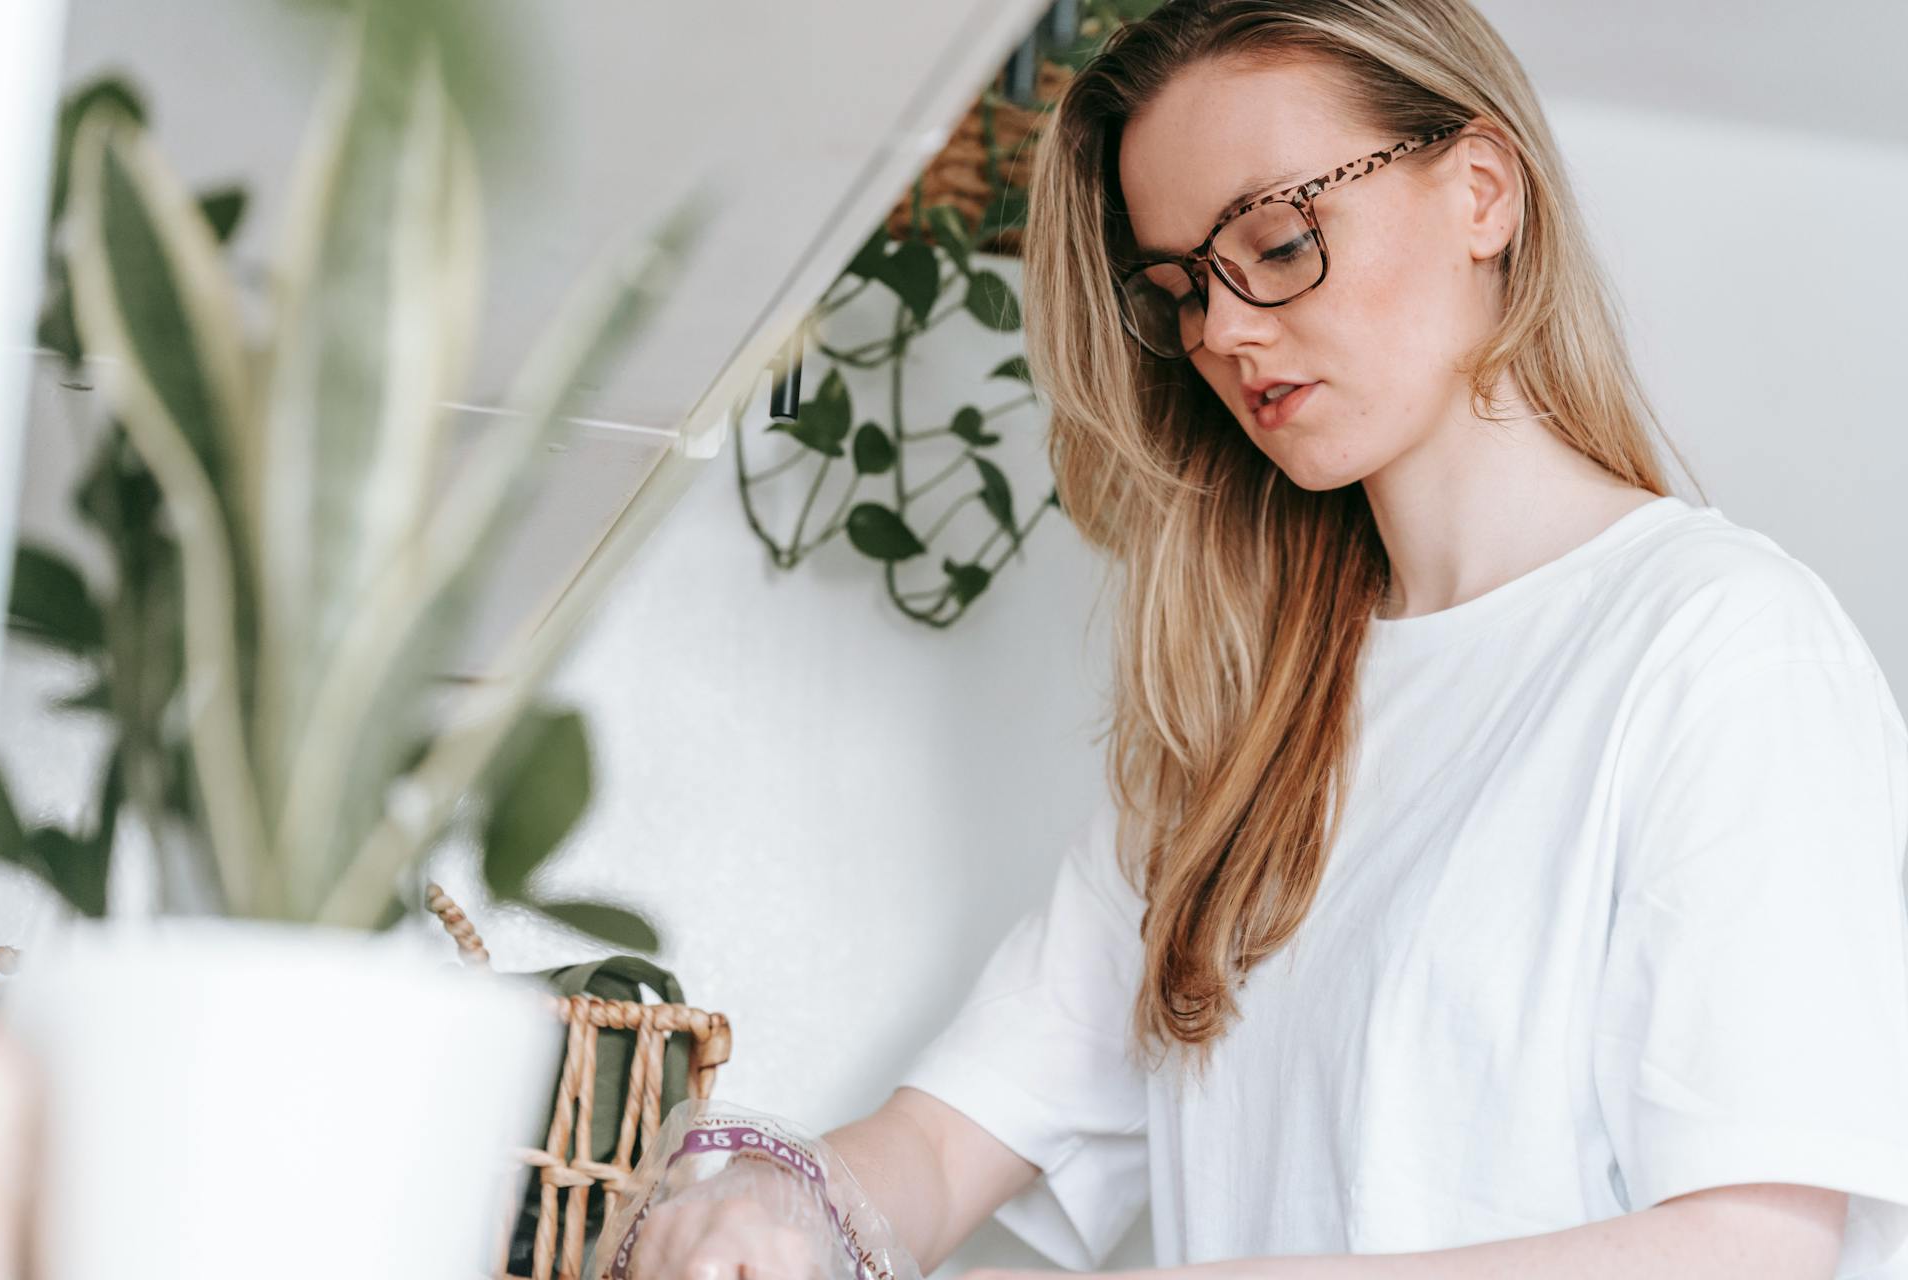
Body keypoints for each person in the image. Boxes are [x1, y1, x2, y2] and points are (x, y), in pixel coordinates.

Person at [630, 0, 1908, 1275]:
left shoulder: (1720, 648)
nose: (1224, 331)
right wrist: (778, 1203)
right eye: (1180, 285)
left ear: (1482, 193)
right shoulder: (1241, 731)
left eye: (1280, 240)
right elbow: (950, 1140)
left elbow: (1751, 1248)